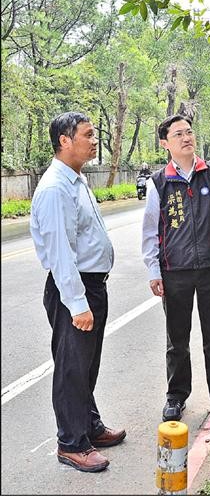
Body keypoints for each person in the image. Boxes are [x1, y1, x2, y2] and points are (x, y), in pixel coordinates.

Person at [30, 111, 126, 473]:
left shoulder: (76, 179)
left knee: (88, 364)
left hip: (90, 286)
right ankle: (71, 444)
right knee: (72, 368)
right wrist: (77, 304)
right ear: (64, 141)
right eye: (87, 134)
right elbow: (60, 255)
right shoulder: (55, 188)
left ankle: (89, 425)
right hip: (74, 289)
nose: (94, 139)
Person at [141, 114, 210, 425]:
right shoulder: (159, 182)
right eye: (178, 134)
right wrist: (153, 269)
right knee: (177, 339)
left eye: (189, 132)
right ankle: (176, 396)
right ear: (165, 144)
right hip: (175, 272)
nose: (187, 137)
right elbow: (151, 231)